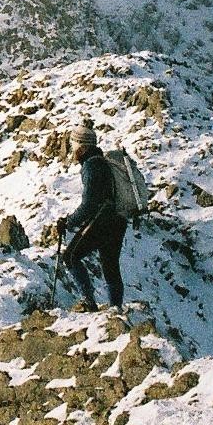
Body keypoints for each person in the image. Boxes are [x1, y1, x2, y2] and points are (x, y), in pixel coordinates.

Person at [57, 124, 126, 309]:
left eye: (74, 146)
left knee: (70, 256)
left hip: (102, 220)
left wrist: (69, 222)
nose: (73, 151)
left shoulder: (91, 166)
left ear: (83, 146)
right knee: (110, 265)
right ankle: (116, 308)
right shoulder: (102, 162)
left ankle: (88, 302)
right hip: (118, 219)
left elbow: (89, 203)